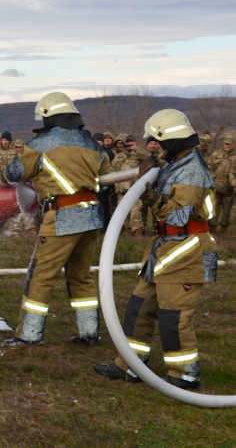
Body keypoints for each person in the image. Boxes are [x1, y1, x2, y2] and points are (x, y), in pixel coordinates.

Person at [95, 109, 216, 390]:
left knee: (174, 316)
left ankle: (184, 374)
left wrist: (150, 196)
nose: (156, 146)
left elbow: (177, 216)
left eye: (158, 141)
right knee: (139, 308)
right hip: (165, 249)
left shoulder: (191, 170)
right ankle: (131, 364)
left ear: (170, 139)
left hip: (186, 251)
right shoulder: (176, 162)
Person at [1, 92, 110, 347]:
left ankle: (28, 335)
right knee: (81, 275)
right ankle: (89, 334)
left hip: (62, 216)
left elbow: (16, 172)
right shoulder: (92, 144)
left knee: (41, 275)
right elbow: (105, 179)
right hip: (92, 215)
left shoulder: (40, 144)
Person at [114, 135, 150, 236]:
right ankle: (128, 236)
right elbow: (113, 169)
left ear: (135, 142)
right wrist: (117, 184)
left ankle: (138, 235)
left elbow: (148, 159)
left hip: (135, 190)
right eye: (127, 142)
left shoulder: (139, 154)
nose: (129, 144)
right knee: (123, 214)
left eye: (131, 142)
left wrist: (135, 149)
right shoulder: (120, 156)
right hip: (122, 190)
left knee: (135, 213)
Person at [206, 131, 234, 233]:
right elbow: (209, 167)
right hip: (216, 187)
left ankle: (224, 232)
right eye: (226, 143)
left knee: (227, 211)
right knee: (213, 210)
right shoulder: (215, 154)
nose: (227, 146)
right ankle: (212, 231)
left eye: (230, 144)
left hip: (229, 189)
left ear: (233, 145)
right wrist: (213, 177)